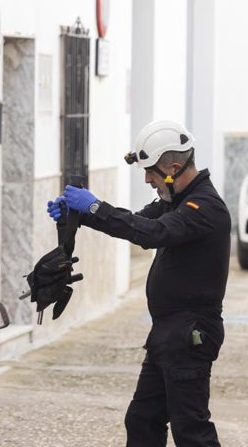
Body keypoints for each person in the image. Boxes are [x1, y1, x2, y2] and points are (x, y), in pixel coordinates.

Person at [47, 120, 230, 446]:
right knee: (143, 420)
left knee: (191, 430)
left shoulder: (204, 207)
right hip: (168, 333)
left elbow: (153, 233)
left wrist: (94, 206)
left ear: (173, 169)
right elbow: (136, 222)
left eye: (151, 172)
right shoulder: (175, 200)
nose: (147, 179)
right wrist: (82, 215)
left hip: (190, 335)